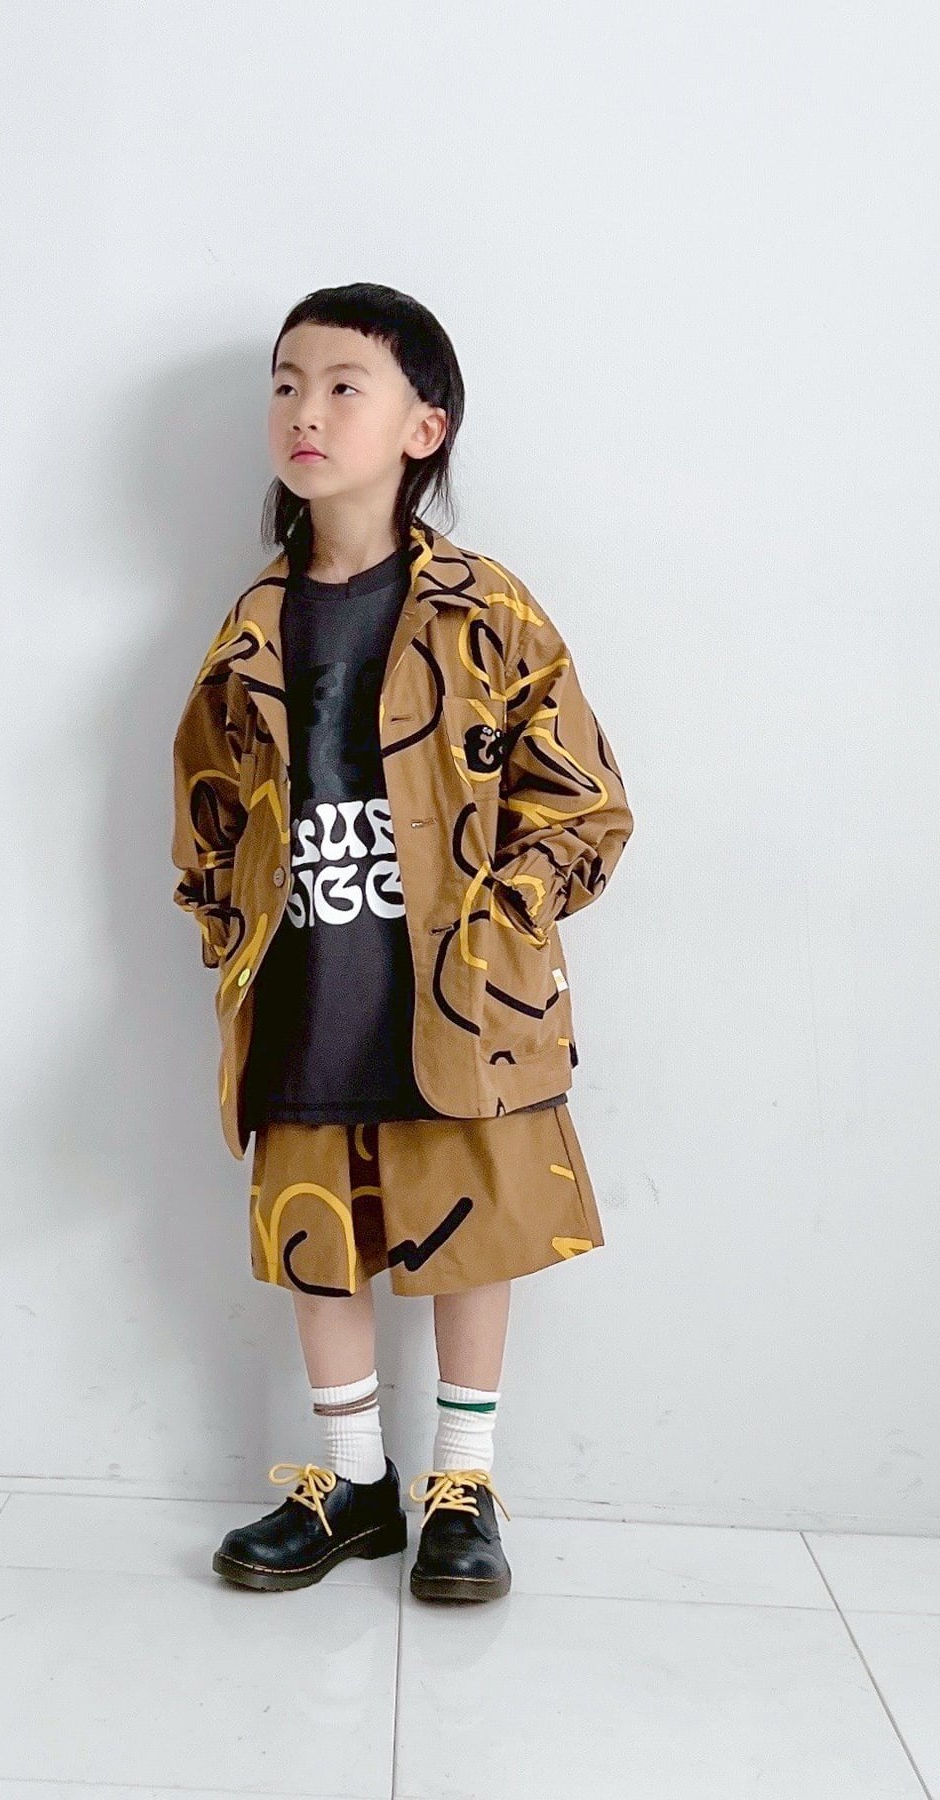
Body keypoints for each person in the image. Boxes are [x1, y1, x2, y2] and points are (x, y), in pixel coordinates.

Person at [170, 282, 633, 1602]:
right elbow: (206, 806)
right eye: (285, 385)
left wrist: (504, 920)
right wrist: (231, 931)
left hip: (458, 1000)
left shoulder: (486, 608)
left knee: (469, 1229)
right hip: (310, 986)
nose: (305, 411)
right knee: (319, 1233)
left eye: (342, 386)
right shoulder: (253, 626)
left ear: (424, 429)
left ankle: (461, 1488)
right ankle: (352, 1483)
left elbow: (583, 797)